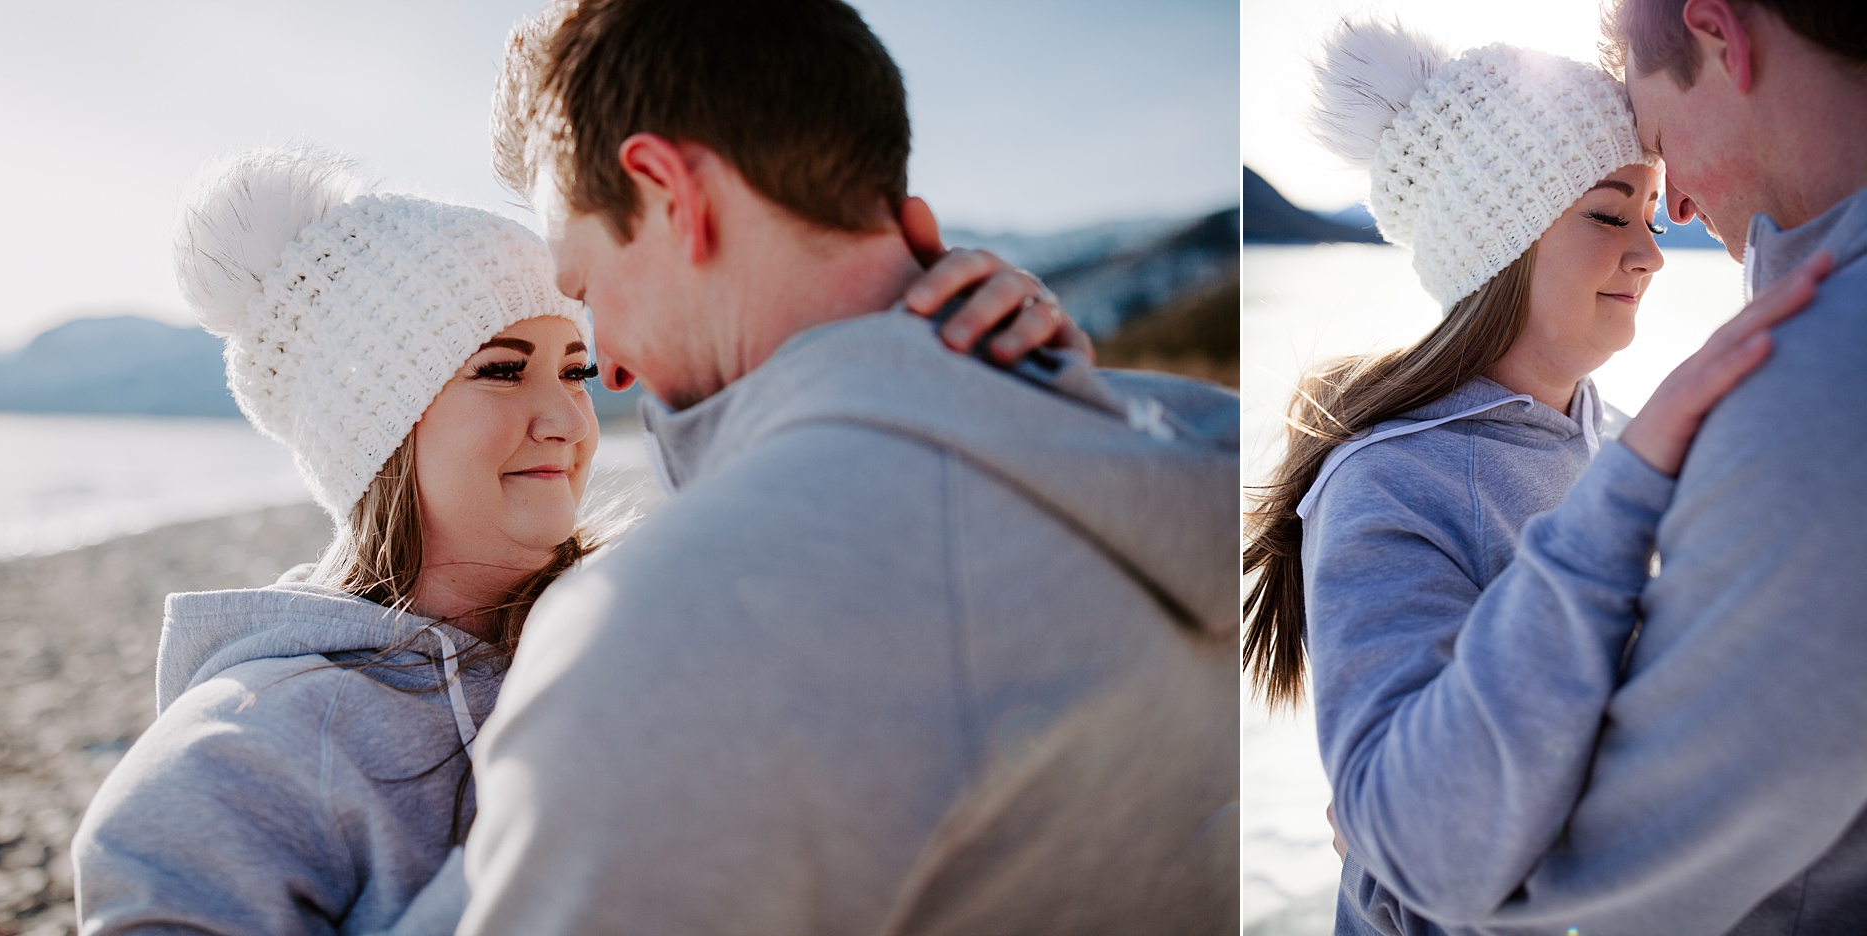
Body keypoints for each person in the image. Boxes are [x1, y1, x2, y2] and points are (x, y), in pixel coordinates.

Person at [69, 146, 1075, 933]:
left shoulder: (661, 616)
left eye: (576, 369)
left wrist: (987, 375)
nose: (565, 419)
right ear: (372, 423)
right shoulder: (234, 766)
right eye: (503, 371)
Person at [455, 1, 1241, 934]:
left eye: (586, 286)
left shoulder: (670, 633)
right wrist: (967, 385)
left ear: (673, 193)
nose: (612, 361)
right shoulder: (1208, 452)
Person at [1252, 0, 1867, 930]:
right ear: (1496, 249)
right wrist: (1390, 853)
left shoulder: (1627, 439)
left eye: (1653, 213)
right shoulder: (1388, 482)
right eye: (1611, 214)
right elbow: (1409, 820)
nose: (1655, 252)